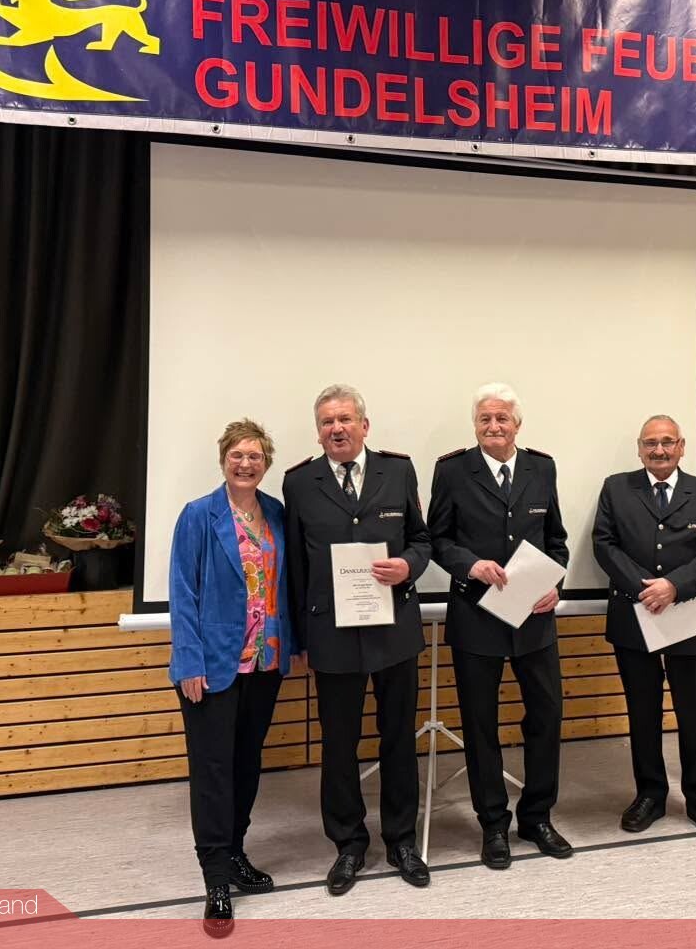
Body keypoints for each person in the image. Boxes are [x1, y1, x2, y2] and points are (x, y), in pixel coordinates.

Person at [283, 384, 432, 895]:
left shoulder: (399, 471)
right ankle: (348, 844)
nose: (337, 428)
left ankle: (402, 841)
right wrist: (300, 638)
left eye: (345, 419)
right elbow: (296, 567)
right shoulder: (300, 482)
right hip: (332, 634)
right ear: (318, 432)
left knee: (399, 740)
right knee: (339, 745)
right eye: (327, 422)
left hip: (394, 629)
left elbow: (422, 539)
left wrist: (408, 566)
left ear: (364, 426)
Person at [426, 382, 572, 870]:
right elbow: (437, 538)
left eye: (502, 418)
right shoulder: (452, 470)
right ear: (475, 425)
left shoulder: (542, 468)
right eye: (485, 419)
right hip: (476, 616)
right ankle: (493, 824)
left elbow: (556, 540)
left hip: (534, 618)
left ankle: (537, 817)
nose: (493, 426)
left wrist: (556, 584)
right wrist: (470, 565)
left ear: (517, 424)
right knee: (480, 724)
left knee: (546, 716)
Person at [169, 418, 298, 938]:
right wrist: (189, 661)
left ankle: (236, 852)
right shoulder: (198, 515)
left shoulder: (277, 514)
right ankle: (216, 879)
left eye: (255, 456)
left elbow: (287, 584)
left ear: (266, 463)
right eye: (237, 455)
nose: (246, 464)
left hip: (265, 661)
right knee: (213, 772)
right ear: (223, 459)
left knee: (246, 765)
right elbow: (183, 591)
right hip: (212, 665)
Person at [592, 414, 696, 838]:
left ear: (681, 447)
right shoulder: (616, 488)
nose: (659, 450)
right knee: (643, 712)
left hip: (690, 616)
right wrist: (645, 589)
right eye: (650, 443)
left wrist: (674, 587)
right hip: (634, 616)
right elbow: (604, 544)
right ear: (639, 449)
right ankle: (650, 795)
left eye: (667, 442)